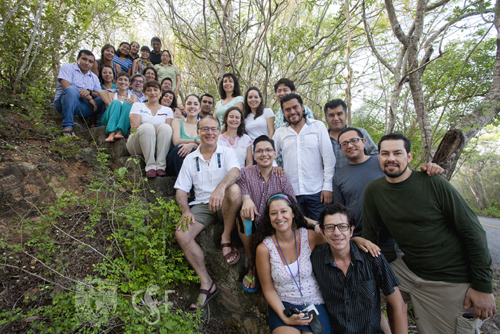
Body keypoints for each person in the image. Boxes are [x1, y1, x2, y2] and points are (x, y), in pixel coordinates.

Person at [362, 133, 496, 333]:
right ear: (378, 158)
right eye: (385, 153)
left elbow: (474, 233)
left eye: (397, 153)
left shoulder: (433, 183)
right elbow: (370, 237)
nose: (391, 158)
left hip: (450, 279)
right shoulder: (374, 191)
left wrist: (484, 286)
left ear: (409, 156)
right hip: (408, 271)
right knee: (354, 292)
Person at [174, 116, 242, 311]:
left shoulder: (227, 152)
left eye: (213, 129)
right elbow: (180, 189)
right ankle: (207, 283)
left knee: (234, 190)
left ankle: (226, 236)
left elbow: (236, 172)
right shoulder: (190, 158)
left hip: (226, 202)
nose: (209, 132)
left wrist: (220, 189)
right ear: (198, 132)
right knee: (181, 233)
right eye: (205, 129)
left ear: (219, 132)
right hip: (202, 205)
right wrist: (186, 210)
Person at [310, 204, 408, 334]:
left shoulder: (372, 257)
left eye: (343, 227)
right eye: (330, 227)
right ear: (322, 232)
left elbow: (398, 305)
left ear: (351, 230)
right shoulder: (315, 259)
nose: (337, 232)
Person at [255, 193, 332, 334]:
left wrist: (359, 240)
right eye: (273, 213)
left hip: (313, 302)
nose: (279, 217)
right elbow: (268, 289)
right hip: (284, 304)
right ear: (269, 218)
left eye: (284, 211)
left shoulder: (308, 237)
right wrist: (285, 317)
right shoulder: (264, 249)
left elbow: (338, 242)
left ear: (293, 214)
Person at [236, 135, 295, 292]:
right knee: (243, 216)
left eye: (268, 150)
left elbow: (292, 204)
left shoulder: (281, 176)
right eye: (260, 151)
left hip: (273, 225)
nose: (264, 154)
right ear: (254, 155)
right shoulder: (245, 173)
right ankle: (253, 266)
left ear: (275, 153)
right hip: (252, 224)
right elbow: (240, 192)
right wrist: (246, 200)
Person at [273, 93, 335, 220]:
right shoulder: (280, 132)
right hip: (291, 192)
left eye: (295, 107)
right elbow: (269, 153)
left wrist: (328, 187)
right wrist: (275, 166)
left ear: (302, 107)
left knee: (320, 230)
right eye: (287, 109)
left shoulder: (318, 126)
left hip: (317, 191)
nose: (292, 112)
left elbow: (328, 159)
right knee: (297, 231)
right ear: (283, 112)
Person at [126, 80, 174, 178]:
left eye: (155, 90)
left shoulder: (167, 110)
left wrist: (151, 127)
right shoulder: (138, 105)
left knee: (165, 128)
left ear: (160, 93)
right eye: (149, 90)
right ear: (144, 93)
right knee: (147, 127)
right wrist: (152, 128)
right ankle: (150, 167)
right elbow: (135, 128)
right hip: (137, 143)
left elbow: (167, 131)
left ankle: (161, 167)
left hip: (157, 144)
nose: (152, 92)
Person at [53, 49, 104, 137]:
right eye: (84, 59)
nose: (87, 63)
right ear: (78, 59)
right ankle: (67, 127)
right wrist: (89, 97)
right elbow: (67, 88)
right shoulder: (67, 67)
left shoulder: (94, 77)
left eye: (90, 61)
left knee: (104, 97)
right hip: (64, 103)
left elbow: (98, 93)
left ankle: (100, 126)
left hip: (83, 107)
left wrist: (89, 92)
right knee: (72, 90)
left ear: (93, 64)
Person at [324, 99, 378, 173]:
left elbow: (375, 154)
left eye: (339, 114)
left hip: (357, 180)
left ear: (346, 115)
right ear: (326, 118)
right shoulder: (321, 138)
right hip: (329, 183)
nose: (336, 118)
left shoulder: (360, 133)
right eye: (331, 115)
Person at [167, 94, 201, 176]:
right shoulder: (177, 122)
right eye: (189, 104)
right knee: (179, 148)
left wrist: (192, 145)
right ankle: (184, 185)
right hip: (176, 160)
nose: (192, 106)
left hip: (195, 162)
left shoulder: (203, 125)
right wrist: (196, 141)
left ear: (199, 108)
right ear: (184, 108)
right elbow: (176, 141)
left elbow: (207, 145)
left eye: (195, 104)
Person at [98, 72, 137, 142]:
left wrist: (132, 102)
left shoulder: (133, 96)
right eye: (120, 79)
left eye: (125, 80)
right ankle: (111, 133)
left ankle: (120, 132)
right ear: (116, 82)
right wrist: (112, 104)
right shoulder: (111, 94)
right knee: (116, 102)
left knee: (128, 103)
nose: (123, 82)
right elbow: (100, 92)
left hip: (125, 121)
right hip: (109, 119)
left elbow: (135, 110)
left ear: (129, 84)